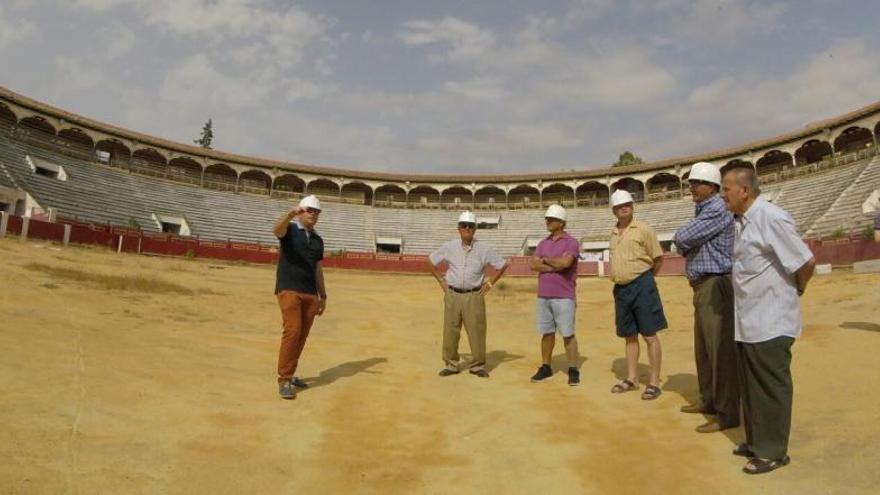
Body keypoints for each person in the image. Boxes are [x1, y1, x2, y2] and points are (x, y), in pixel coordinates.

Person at [721, 165, 815, 475]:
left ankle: (773, 451)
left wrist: (797, 288)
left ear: (744, 191)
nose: (723, 195)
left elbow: (804, 261)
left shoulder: (769, 217)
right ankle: (757, 440)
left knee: (770, 387)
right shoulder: (742, 222)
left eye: (726, 189)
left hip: (771, 320)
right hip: (749, 321)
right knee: (751, 386)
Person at [673, 162, 740, 433]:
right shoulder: (704, 209)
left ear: (711, 186)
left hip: (715, 284)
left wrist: (686, 242)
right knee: (704, 350)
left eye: (695, 183)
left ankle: (727, 413)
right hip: (704, 286)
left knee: (720, 352)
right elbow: (685, 240)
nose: (691, 188)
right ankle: (709, 401)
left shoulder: (716, 208)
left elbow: (681, 236)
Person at [428, 211, 508, 378]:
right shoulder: (449, 246)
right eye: (464, 225)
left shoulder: (484, 249)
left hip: (474, 295)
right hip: (452, 294)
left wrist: (490, 283)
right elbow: (429, 261)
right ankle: (451, 364)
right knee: (450, 329)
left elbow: (503, 265)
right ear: (458, 228)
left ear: (475, 229)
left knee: (477, 330)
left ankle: (477, 365)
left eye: (470, 226)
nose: (467, 228)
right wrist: (441, 281)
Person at [607, 189, 667, 401]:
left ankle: (653, 382)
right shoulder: (613, 233)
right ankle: (632, 378)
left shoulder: (644, 229)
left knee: (650, 335)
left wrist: (646, 280)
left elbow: (658, 258)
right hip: (621, 289)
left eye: (628, 204)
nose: (625, 207)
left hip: (642, 285)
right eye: (620, 205)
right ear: (614, 210)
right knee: (629, 335)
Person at [272, 195, 327, 400]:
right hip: (289, 288)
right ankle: (284, 379)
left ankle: (291, 373)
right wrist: (289, 215)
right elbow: (276, 230)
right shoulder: (290, 230)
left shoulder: (317, 240)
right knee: (293, 332)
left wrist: (323, 295)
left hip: (310, 292)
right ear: (301, 211)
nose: (313, 214)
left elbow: (318, 269)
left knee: (301, 335)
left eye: (316, 212)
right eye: (310, 210)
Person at [529, 204, 581, 386]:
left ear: (561, 222)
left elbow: (565, 263)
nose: (547, 222)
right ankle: (546, 366)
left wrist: (545, 261)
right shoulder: (543, 242)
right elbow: (533, 265)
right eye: (547, 219)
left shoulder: (572, 242)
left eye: (551, 219)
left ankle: (573, 368)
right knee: (547, 333)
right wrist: (553, 264)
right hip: (544, 295)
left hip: (564, 295)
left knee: (568, 333)